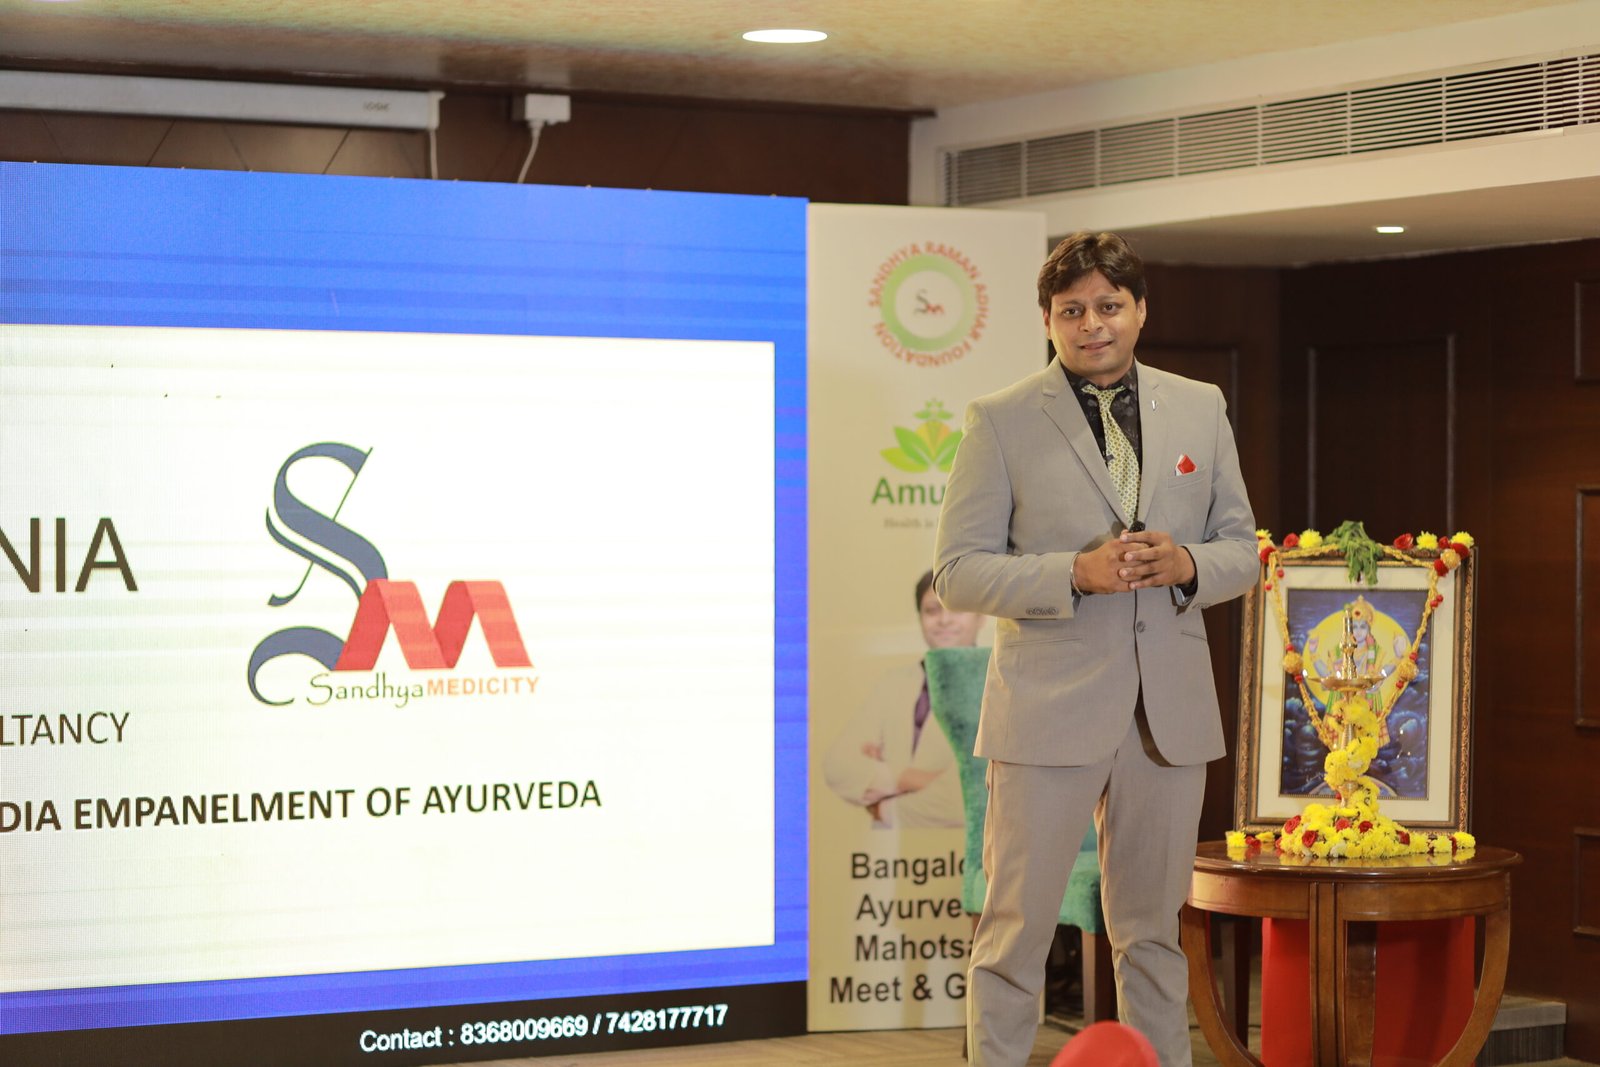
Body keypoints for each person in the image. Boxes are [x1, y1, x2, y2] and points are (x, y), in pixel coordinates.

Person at [933, 232, 1258, 1066]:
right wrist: (1071, 573)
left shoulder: (1201, 406)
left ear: (1140, 310)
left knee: (1153, 936)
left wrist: (1186, 564)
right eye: (1071, 310)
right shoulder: (1000, 419)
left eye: (1109, 305)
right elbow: (958, 571)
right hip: (1045, 717)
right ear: (1048, 320)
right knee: (1014, 935)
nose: (1092, 324)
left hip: (1168, 718)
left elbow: (1243, 551)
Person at [823, 569, 980, 829]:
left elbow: (972, 796)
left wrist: (883, 807)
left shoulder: (998, 687)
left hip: (956, 848)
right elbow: (837, 766)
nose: (944, 620)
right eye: (931, 610)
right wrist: (903, 776)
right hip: (890, 850)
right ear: (920, 618)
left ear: (980, 616)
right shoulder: (893, 683)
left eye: (955, 609)